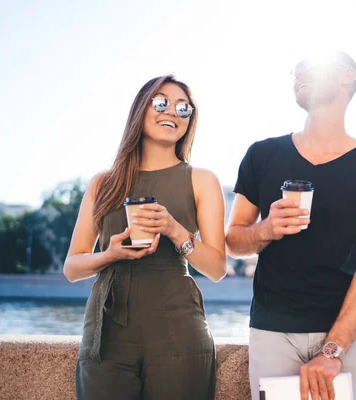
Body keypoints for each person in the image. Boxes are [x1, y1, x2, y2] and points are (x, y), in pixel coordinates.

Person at [226, 51, 356, 400]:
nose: (299, 74)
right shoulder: (261, 155)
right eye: (296, 70)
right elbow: (233, 240)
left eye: (311, 66)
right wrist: (266, 229)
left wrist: (332, 351)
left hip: (345, 338)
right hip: (272, 331)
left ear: (347, 77)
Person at [63, 75, 227, 399]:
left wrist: (174, 229)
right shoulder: (103, 183)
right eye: (162, 102)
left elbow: (218, 268)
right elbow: (72, 267)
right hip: (108, 331)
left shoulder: (202, 181)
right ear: (141, 108)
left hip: (178, 329)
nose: (173, 113)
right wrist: (109, 255)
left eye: (184, 108)